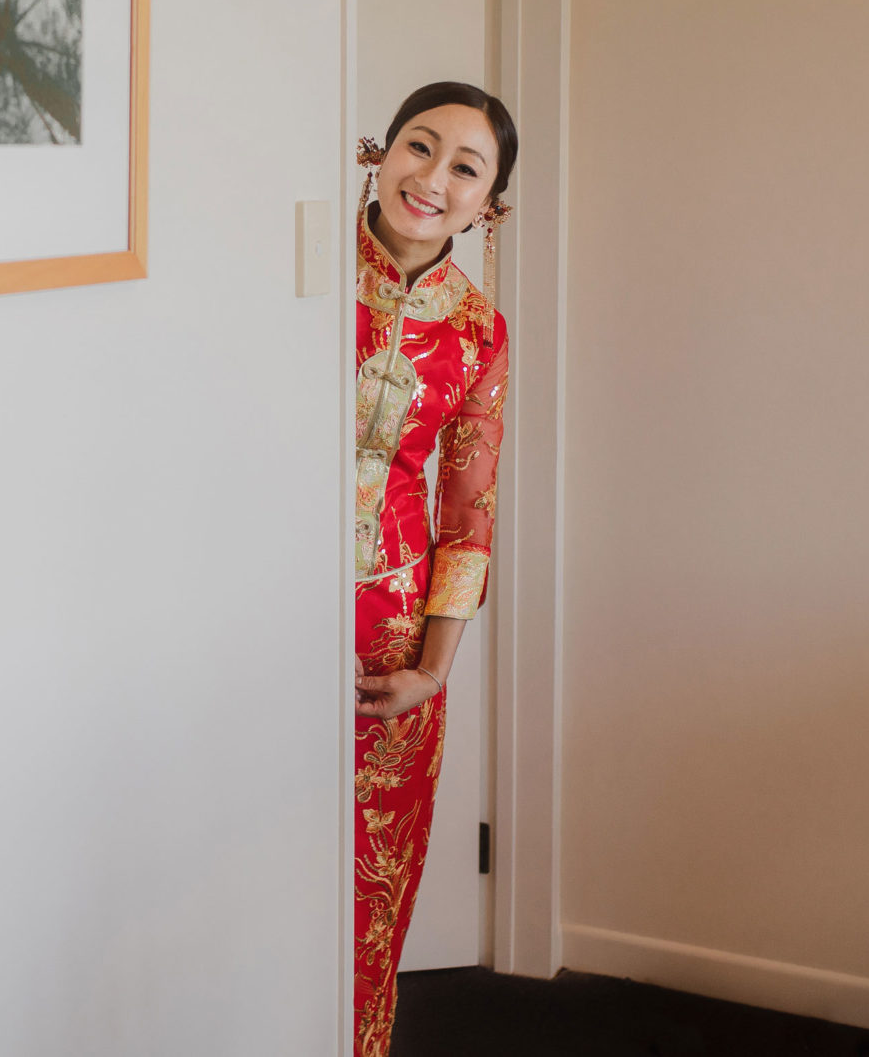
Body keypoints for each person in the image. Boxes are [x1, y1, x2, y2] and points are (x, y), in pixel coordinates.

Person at [351, 81, 515, 1057]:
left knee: (370, 883)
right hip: (245, 606)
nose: (432, 178)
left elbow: (468, 516)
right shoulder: (294, 266)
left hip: (392, 635)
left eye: (465, 168)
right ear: (378, 152)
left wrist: (433, 669)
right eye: (419, 147)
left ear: (486, 206)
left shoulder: (478, 332)